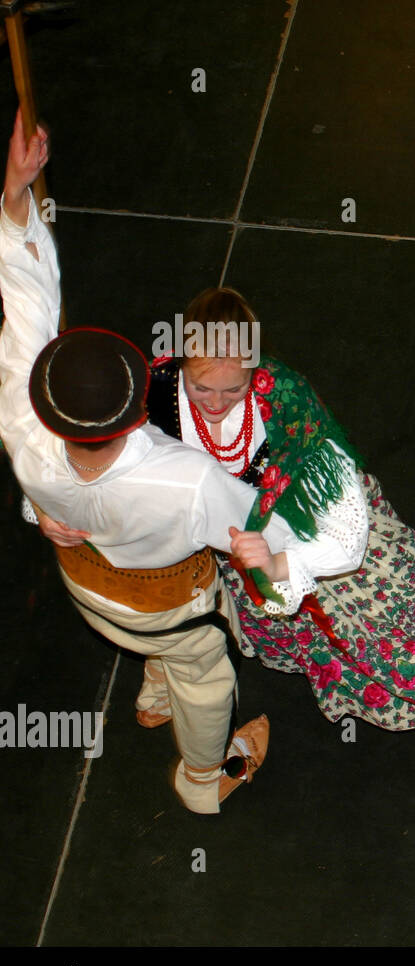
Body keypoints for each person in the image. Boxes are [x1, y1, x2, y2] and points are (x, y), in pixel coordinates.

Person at [0, 113, 327, 814]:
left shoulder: (22, 420)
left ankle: (150, 693)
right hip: (165, 605)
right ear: (134, 408)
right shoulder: (185, 480)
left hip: (86, 583)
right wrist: (272, 554)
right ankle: (204, 780)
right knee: (207, 680)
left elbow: (26, 305)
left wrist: (15, 199)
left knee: (153, 648)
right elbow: (265, 539)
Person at [44, 286, 415, 749]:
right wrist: (47, 510)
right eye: (201, 386)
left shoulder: (286, 399)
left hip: (310, 528)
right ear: (180, 363)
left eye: (233, 388)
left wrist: (283, 565)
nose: (213, 402)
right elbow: (86, 453)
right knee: (198, 612)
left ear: (255, 369)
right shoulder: (149, 391)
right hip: (226, 546)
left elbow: (347, 535)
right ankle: (168, 669)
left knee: (388, 616)